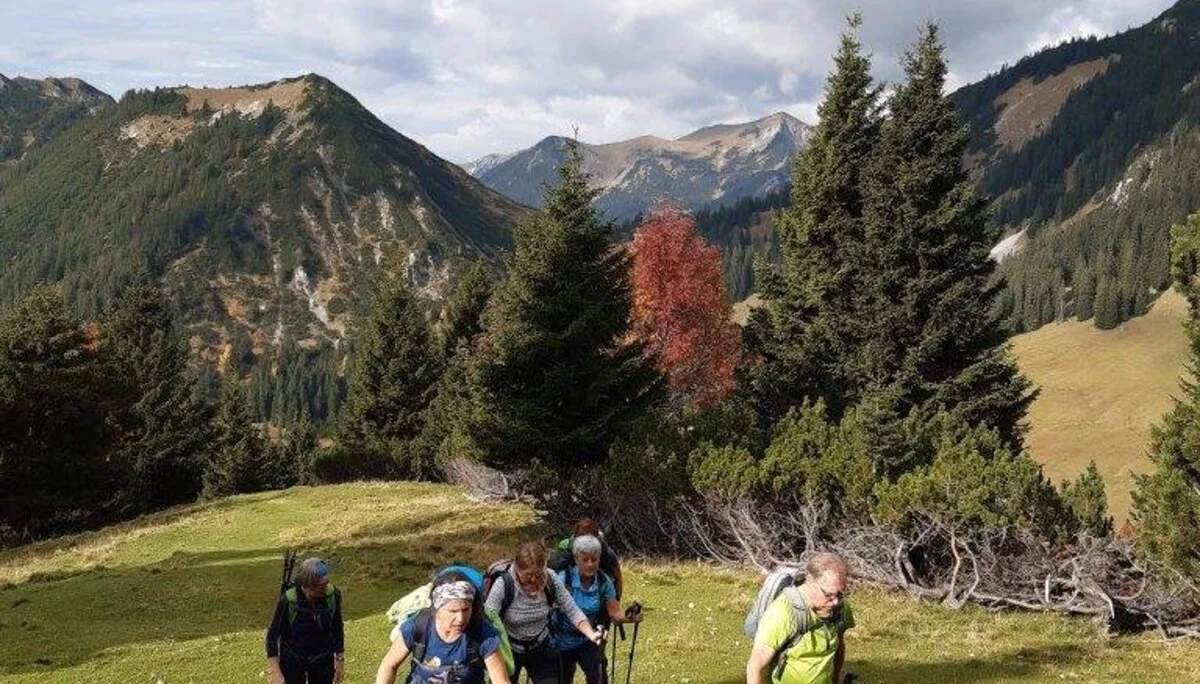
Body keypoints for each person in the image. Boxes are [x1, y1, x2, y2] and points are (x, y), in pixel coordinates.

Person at [486, 541, 604, 684]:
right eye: (528, 575)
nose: (533, 579)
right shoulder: (504, 584)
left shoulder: (550, 578)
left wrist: (591, 634)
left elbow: (571, 609)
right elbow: (488, 619)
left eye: (538, 574)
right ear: (516, 569)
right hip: (510, 648)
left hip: (540, 646)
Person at [375, 570, 512, 684]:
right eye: (452, 611)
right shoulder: (418, 626)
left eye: (465, 610)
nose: (460, 619)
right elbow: (389, 665)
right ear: (437, 609)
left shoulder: (482, 632)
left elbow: (501, 681)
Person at [745, 553, 855, 684]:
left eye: (841, 593)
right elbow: (754, 667)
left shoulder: (840, 609)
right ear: (811, 582)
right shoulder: (783, 613)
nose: (836, 601)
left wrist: (836, 679)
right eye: (829, 595)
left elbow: (839, 646)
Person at [554, 535, 642, 684]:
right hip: (561, 640)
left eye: (594, 559)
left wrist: (631, 617)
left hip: (588, 639)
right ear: (576, 560)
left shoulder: (603, 581)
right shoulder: (562, 579)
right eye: (585, 559)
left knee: (599, 678)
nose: (590, 564)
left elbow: (614, 613)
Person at [266, 558, 346, 684]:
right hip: (293, 661)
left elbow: (337, 627)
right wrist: (275, 671)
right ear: (308, 585)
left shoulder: (333, 595)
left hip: (323, 660)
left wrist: (340, 661)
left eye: (326, 583)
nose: (325, 589)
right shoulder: (288, 601)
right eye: (321, 586)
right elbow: (272, 636)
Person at [548, 519, 624, 599]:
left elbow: (618, 577)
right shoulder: (565, 550)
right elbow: (550, 572)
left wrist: (616, 599)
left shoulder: (606, 553)